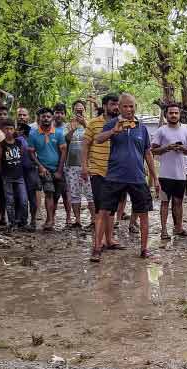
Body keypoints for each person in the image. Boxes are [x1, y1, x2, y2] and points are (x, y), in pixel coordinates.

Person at [92, 93, 160, 260]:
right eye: (125, 106)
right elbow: (98, 139)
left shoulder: (141, 128)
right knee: (103, 211)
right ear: (119, 107)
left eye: (131, 106)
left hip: (137, 177)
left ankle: (144, 249)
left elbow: (148, 154)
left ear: (135, 107)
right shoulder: (112, 124)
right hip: (114, 176)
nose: (129, 109)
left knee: (144, 213)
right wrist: (113, 132)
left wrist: (155, 178)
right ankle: (96, 248)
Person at [82, 93, 121, 252]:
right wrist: (84, 166)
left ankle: (109, 239)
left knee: (112, 208)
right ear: (104, 106)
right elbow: (85, 145)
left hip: (115, 171)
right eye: (113, 104)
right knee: (100, 207)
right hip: (97, 170)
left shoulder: (122, 124)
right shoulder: (93, 123)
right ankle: (98, 242)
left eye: (117, 104)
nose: (116, 107)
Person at [150, 102, 187, 240]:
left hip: (181, 174)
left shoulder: (186, 131)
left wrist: (181, 149)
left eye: (176, 113)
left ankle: (179, 228)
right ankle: (164, 230)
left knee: (178, 202)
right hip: (165, 174)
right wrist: (166, 148)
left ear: (180, 114)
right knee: (164, 202)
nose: (174, 115)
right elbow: (152, 150)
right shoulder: (161, 131)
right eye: (171, 113)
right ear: (166, 115)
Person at [28, 107, 67, 231]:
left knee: (56, 196)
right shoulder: (33, 134)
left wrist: (60, 171)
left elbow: (63, 152)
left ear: (52, 118)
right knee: (49, 193)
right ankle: (49, 220)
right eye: (43, 116)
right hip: (44, 169)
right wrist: (40, 166)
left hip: (58, 168)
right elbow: (32, 153)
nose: (45, 119)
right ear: (39, 118)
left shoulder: (59, 133)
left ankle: (51, 218)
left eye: (48, 117)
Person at [63, 100, 93, 228]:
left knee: (90, 193)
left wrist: (84, 123)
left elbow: (95, 137)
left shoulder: (90, 123)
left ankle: (93, 219)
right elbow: (66, 139)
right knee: (74, 193)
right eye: (77, 108)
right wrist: (74, 128)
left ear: (85, 110)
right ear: (73, 110)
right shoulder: (68, 124)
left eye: (81, 108)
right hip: (72, 164)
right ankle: (78, 220)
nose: (79, 110)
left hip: (88, 164)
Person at [0, 119, 29, 230]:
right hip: (7, 176)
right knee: (9, 200)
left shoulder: (19, 142)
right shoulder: (1, 145)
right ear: (3, 130)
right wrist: (2, 174)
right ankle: (12, 222)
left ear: (14, 130)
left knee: (24, 200)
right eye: (7, 129)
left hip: (19, 175)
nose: (9, 131)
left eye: (11, 129)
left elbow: (21, 155)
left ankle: (23, 222)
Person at [17, 122, 39, 230]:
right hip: (31, 170)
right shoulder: (31, 140)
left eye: (18, 129)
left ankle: (23, 220)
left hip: (23, 171)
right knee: (32, 197)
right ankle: (33, 220)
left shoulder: (19, 140)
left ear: (21, 131)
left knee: (23, 197)